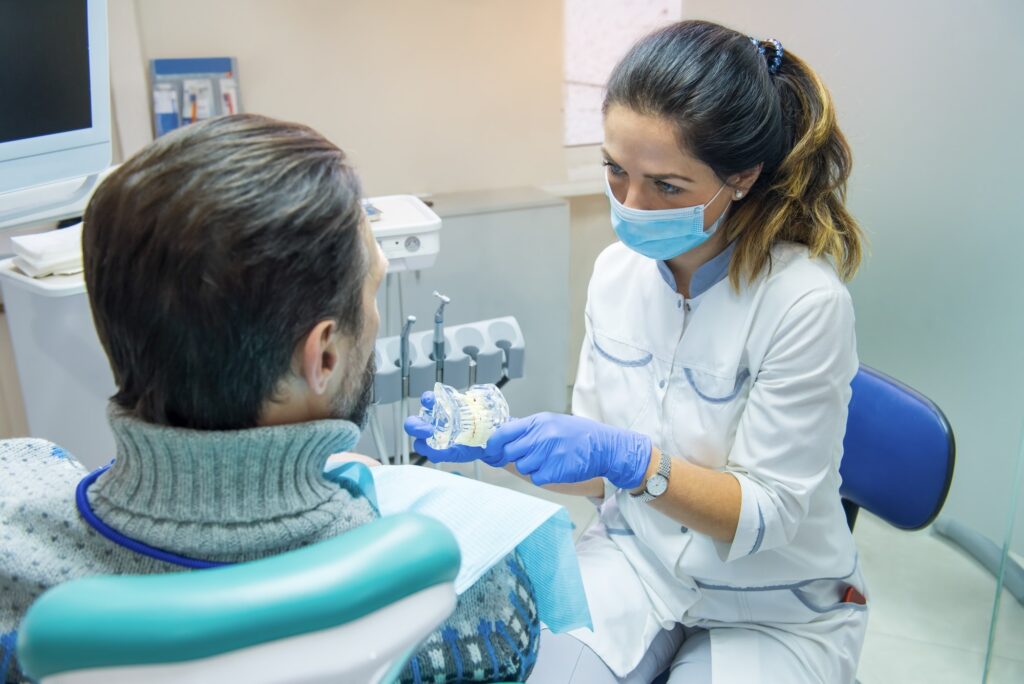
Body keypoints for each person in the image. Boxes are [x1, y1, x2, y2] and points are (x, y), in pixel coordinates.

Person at [0, 114, 539, 684]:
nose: (376, 316)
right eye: (374, 289)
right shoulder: (475, 603)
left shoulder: (14, 543)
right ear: (324, 356)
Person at [407, 20, 867, 683]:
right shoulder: (615, 275)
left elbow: (765, 515)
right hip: (636, 566)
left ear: (742, 175)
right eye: (615, 171)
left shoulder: (803, 304)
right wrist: (503, 445)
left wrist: (634, 461)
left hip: (774, 605)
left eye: (667, 186)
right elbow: (600, 477)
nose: (631, 204)